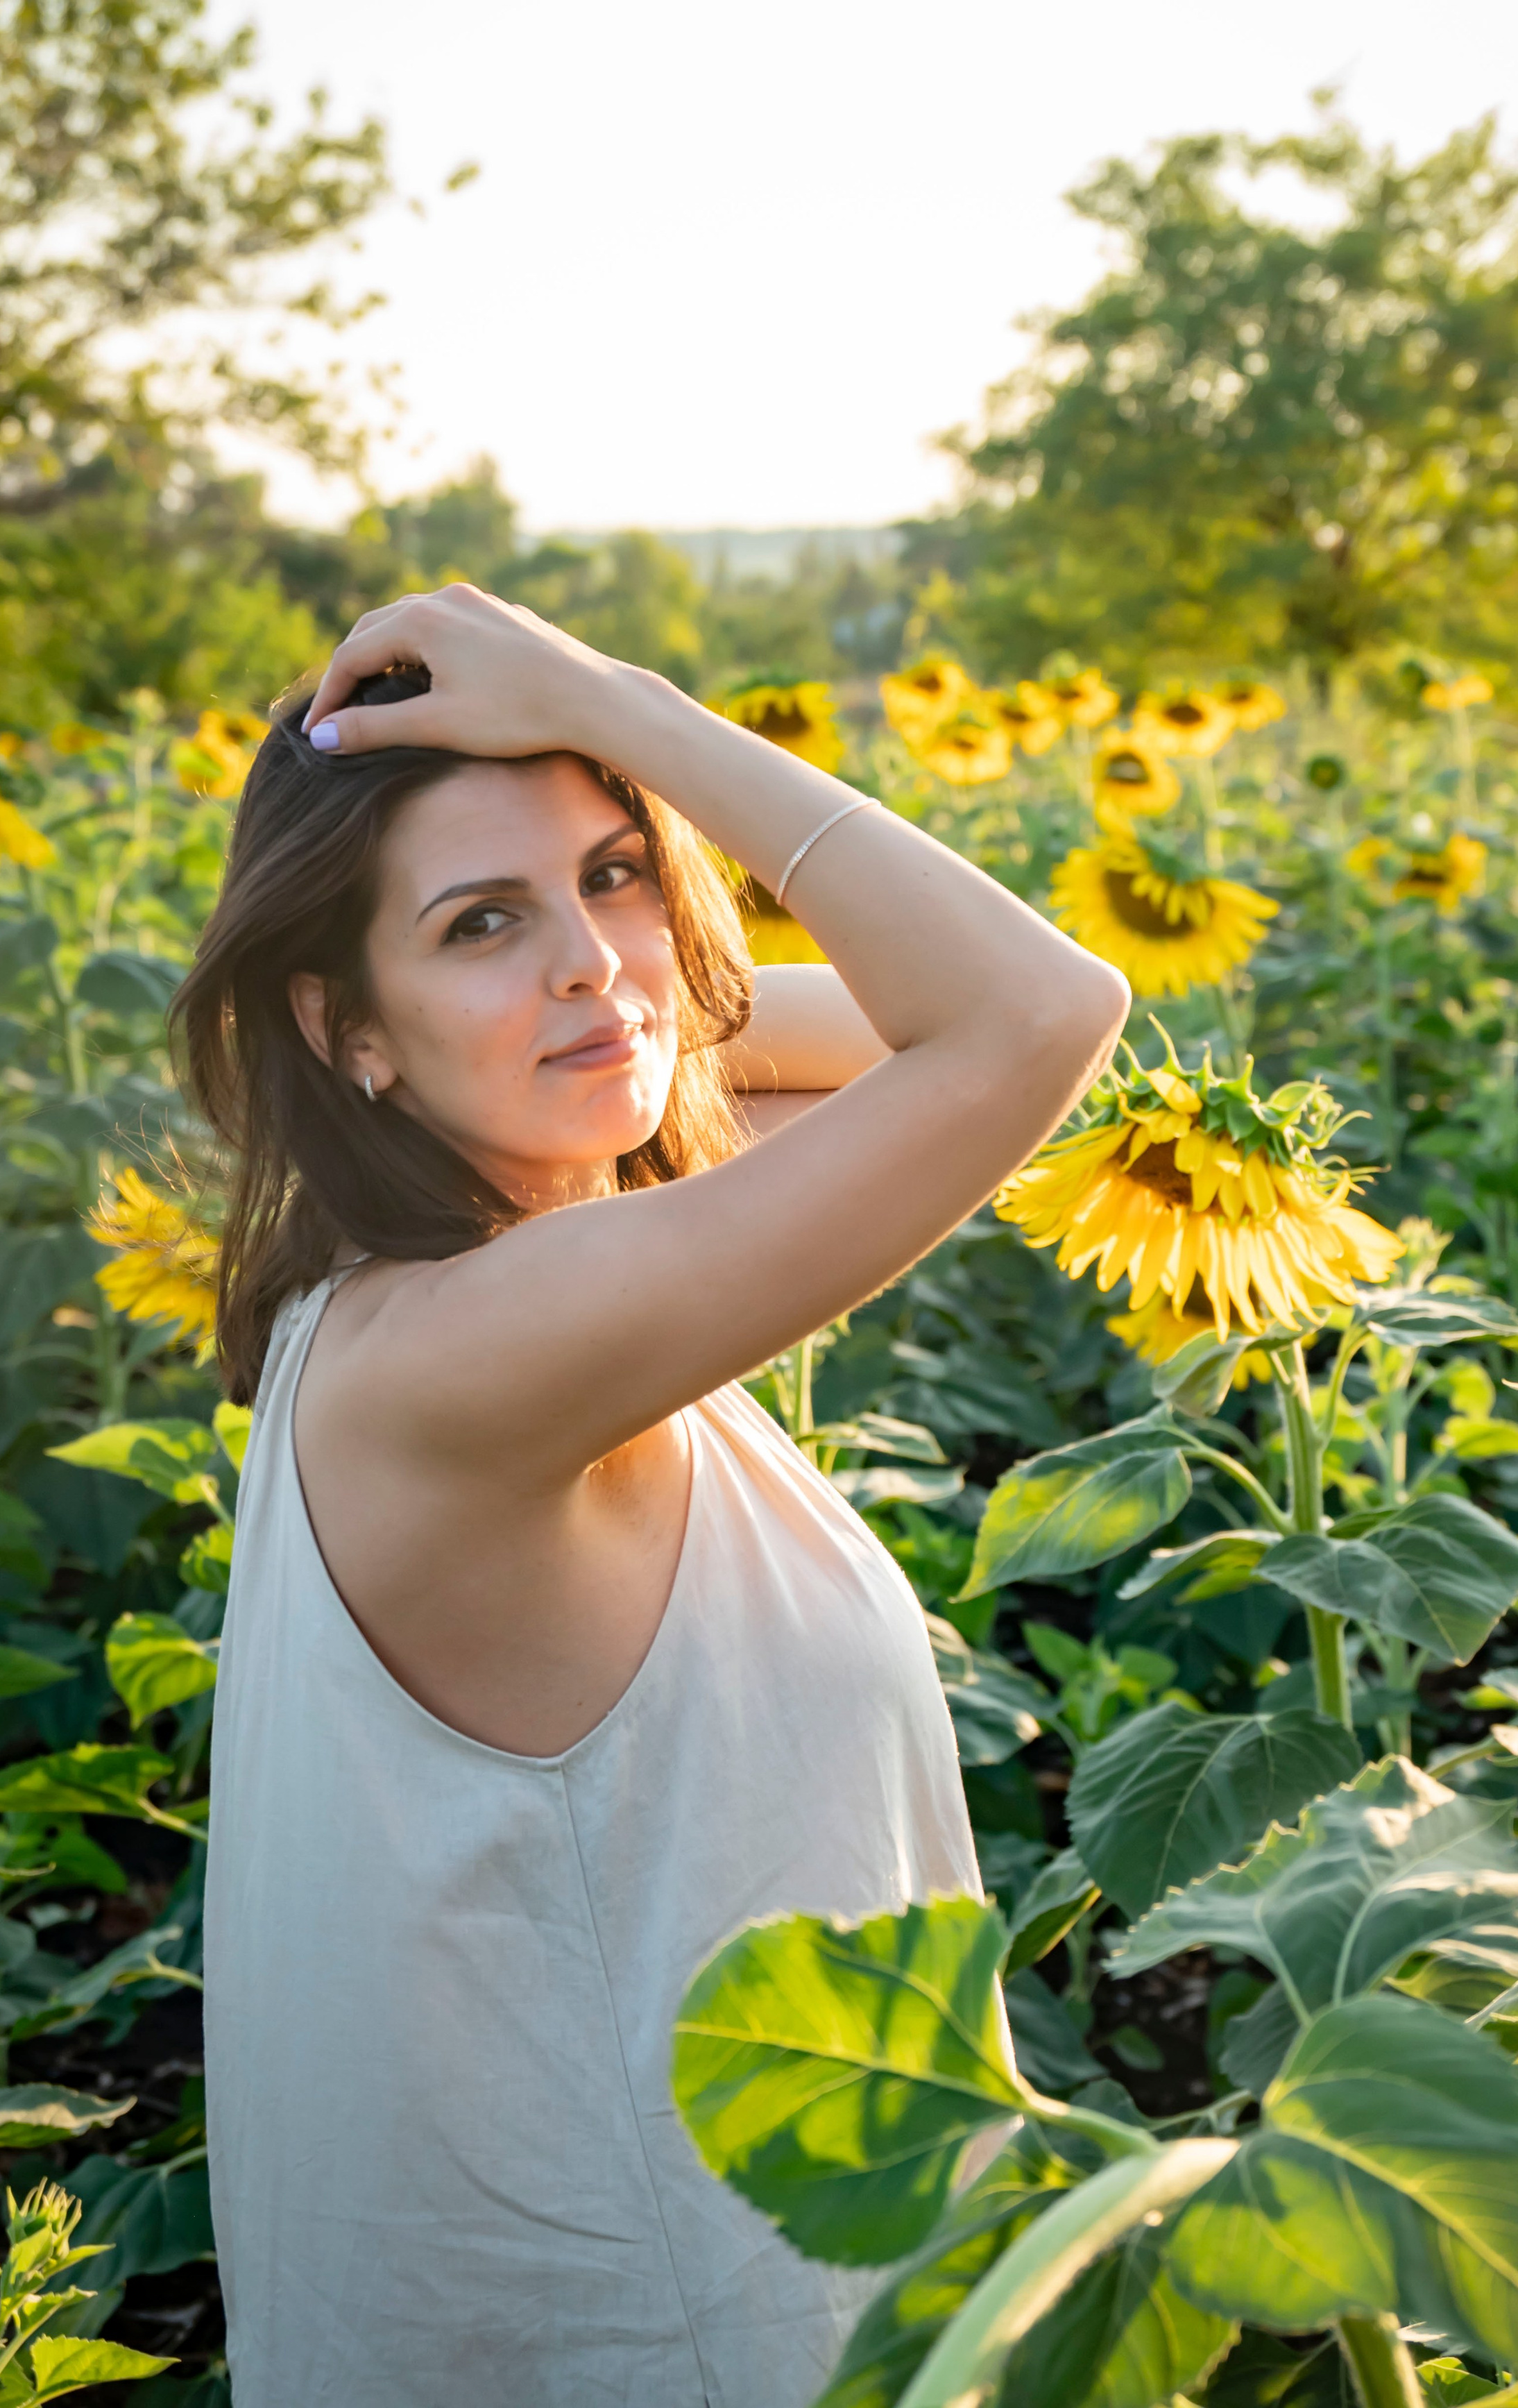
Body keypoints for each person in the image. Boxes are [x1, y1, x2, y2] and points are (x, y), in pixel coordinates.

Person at [180, 584, 1129, 2408]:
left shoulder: (448, 1290)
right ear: (339, 1023)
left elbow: (887, 1032)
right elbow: (1029, 1014)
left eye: (616, 874)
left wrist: (592, 945)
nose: (593, 965)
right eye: (478, 924)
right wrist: (629, 708)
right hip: (701, 2346)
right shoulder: (479, 1355)